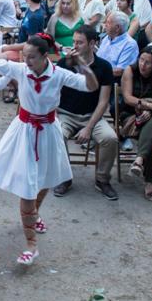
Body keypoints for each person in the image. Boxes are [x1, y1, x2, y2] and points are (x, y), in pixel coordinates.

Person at [0, 32, 98, 266]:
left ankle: (35, 213)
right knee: (28, 188)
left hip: (49, 131)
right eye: (25, 56)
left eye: (31, 57)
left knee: (46, 180)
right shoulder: (20, 70)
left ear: (44, 56)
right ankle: (31, 244)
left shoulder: (59, 73)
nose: (26, 61)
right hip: (23, 132)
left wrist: (81, 63)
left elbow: (90, 86)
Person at [53, 26, 117, 199]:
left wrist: (89, 127)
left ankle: (102, 179)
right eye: (74, 42)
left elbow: (104, 101)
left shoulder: (103, 66)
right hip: (66, 114)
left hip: (92, 115)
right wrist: (55, 115)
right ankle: (65, 178)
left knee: (110, 138)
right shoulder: (64, 63)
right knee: (56, 134)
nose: (75, 46)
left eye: (79, 42)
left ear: (92, 43)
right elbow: (54, 92)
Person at [121, 46, 152, 202]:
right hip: (131, 114)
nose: (143, 65)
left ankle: (139, 160)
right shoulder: (130, 71)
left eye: (148, 62)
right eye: (141, 60)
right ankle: (149, 181)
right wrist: (150, 106)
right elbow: (128, 98)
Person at [98, 11, 140, 79]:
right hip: (99, 77)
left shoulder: (129, 44)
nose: (105, 25)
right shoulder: (106, 38)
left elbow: (119, 71)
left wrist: (96, 71)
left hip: (113, 81)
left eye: (108, 22)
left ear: (117, 28)